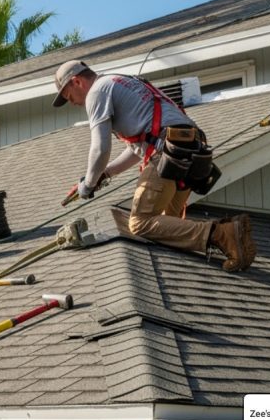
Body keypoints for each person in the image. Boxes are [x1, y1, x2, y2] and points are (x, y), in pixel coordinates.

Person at [52, 60, 256, 272]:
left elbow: (100, 148)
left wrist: (87, 185)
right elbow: (137, 148)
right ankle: (235, 247)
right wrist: (104, 174)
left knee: (140, 222)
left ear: (77, 81)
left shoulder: (97, 92)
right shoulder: (121, 81)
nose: (73, 103)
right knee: (168, 227)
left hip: (168, 156)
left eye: (69, 97)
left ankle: (225, 233)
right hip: (189, 153)